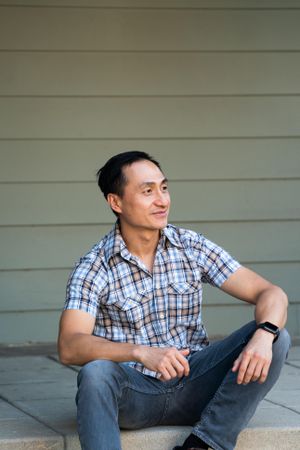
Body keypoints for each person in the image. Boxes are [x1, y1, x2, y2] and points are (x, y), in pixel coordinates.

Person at [58, 151, 290, 450]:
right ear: (116, 202)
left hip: (195, 384)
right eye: (147, 191)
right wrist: (141, 352)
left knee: (275, 335)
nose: (162, 200)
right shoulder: (94, 266)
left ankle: (206, 444)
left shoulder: (190, 245)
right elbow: (69, 345)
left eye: (164, 188)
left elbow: (270, 293)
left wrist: (264, 334)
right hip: (135, 394)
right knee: (96, 373)